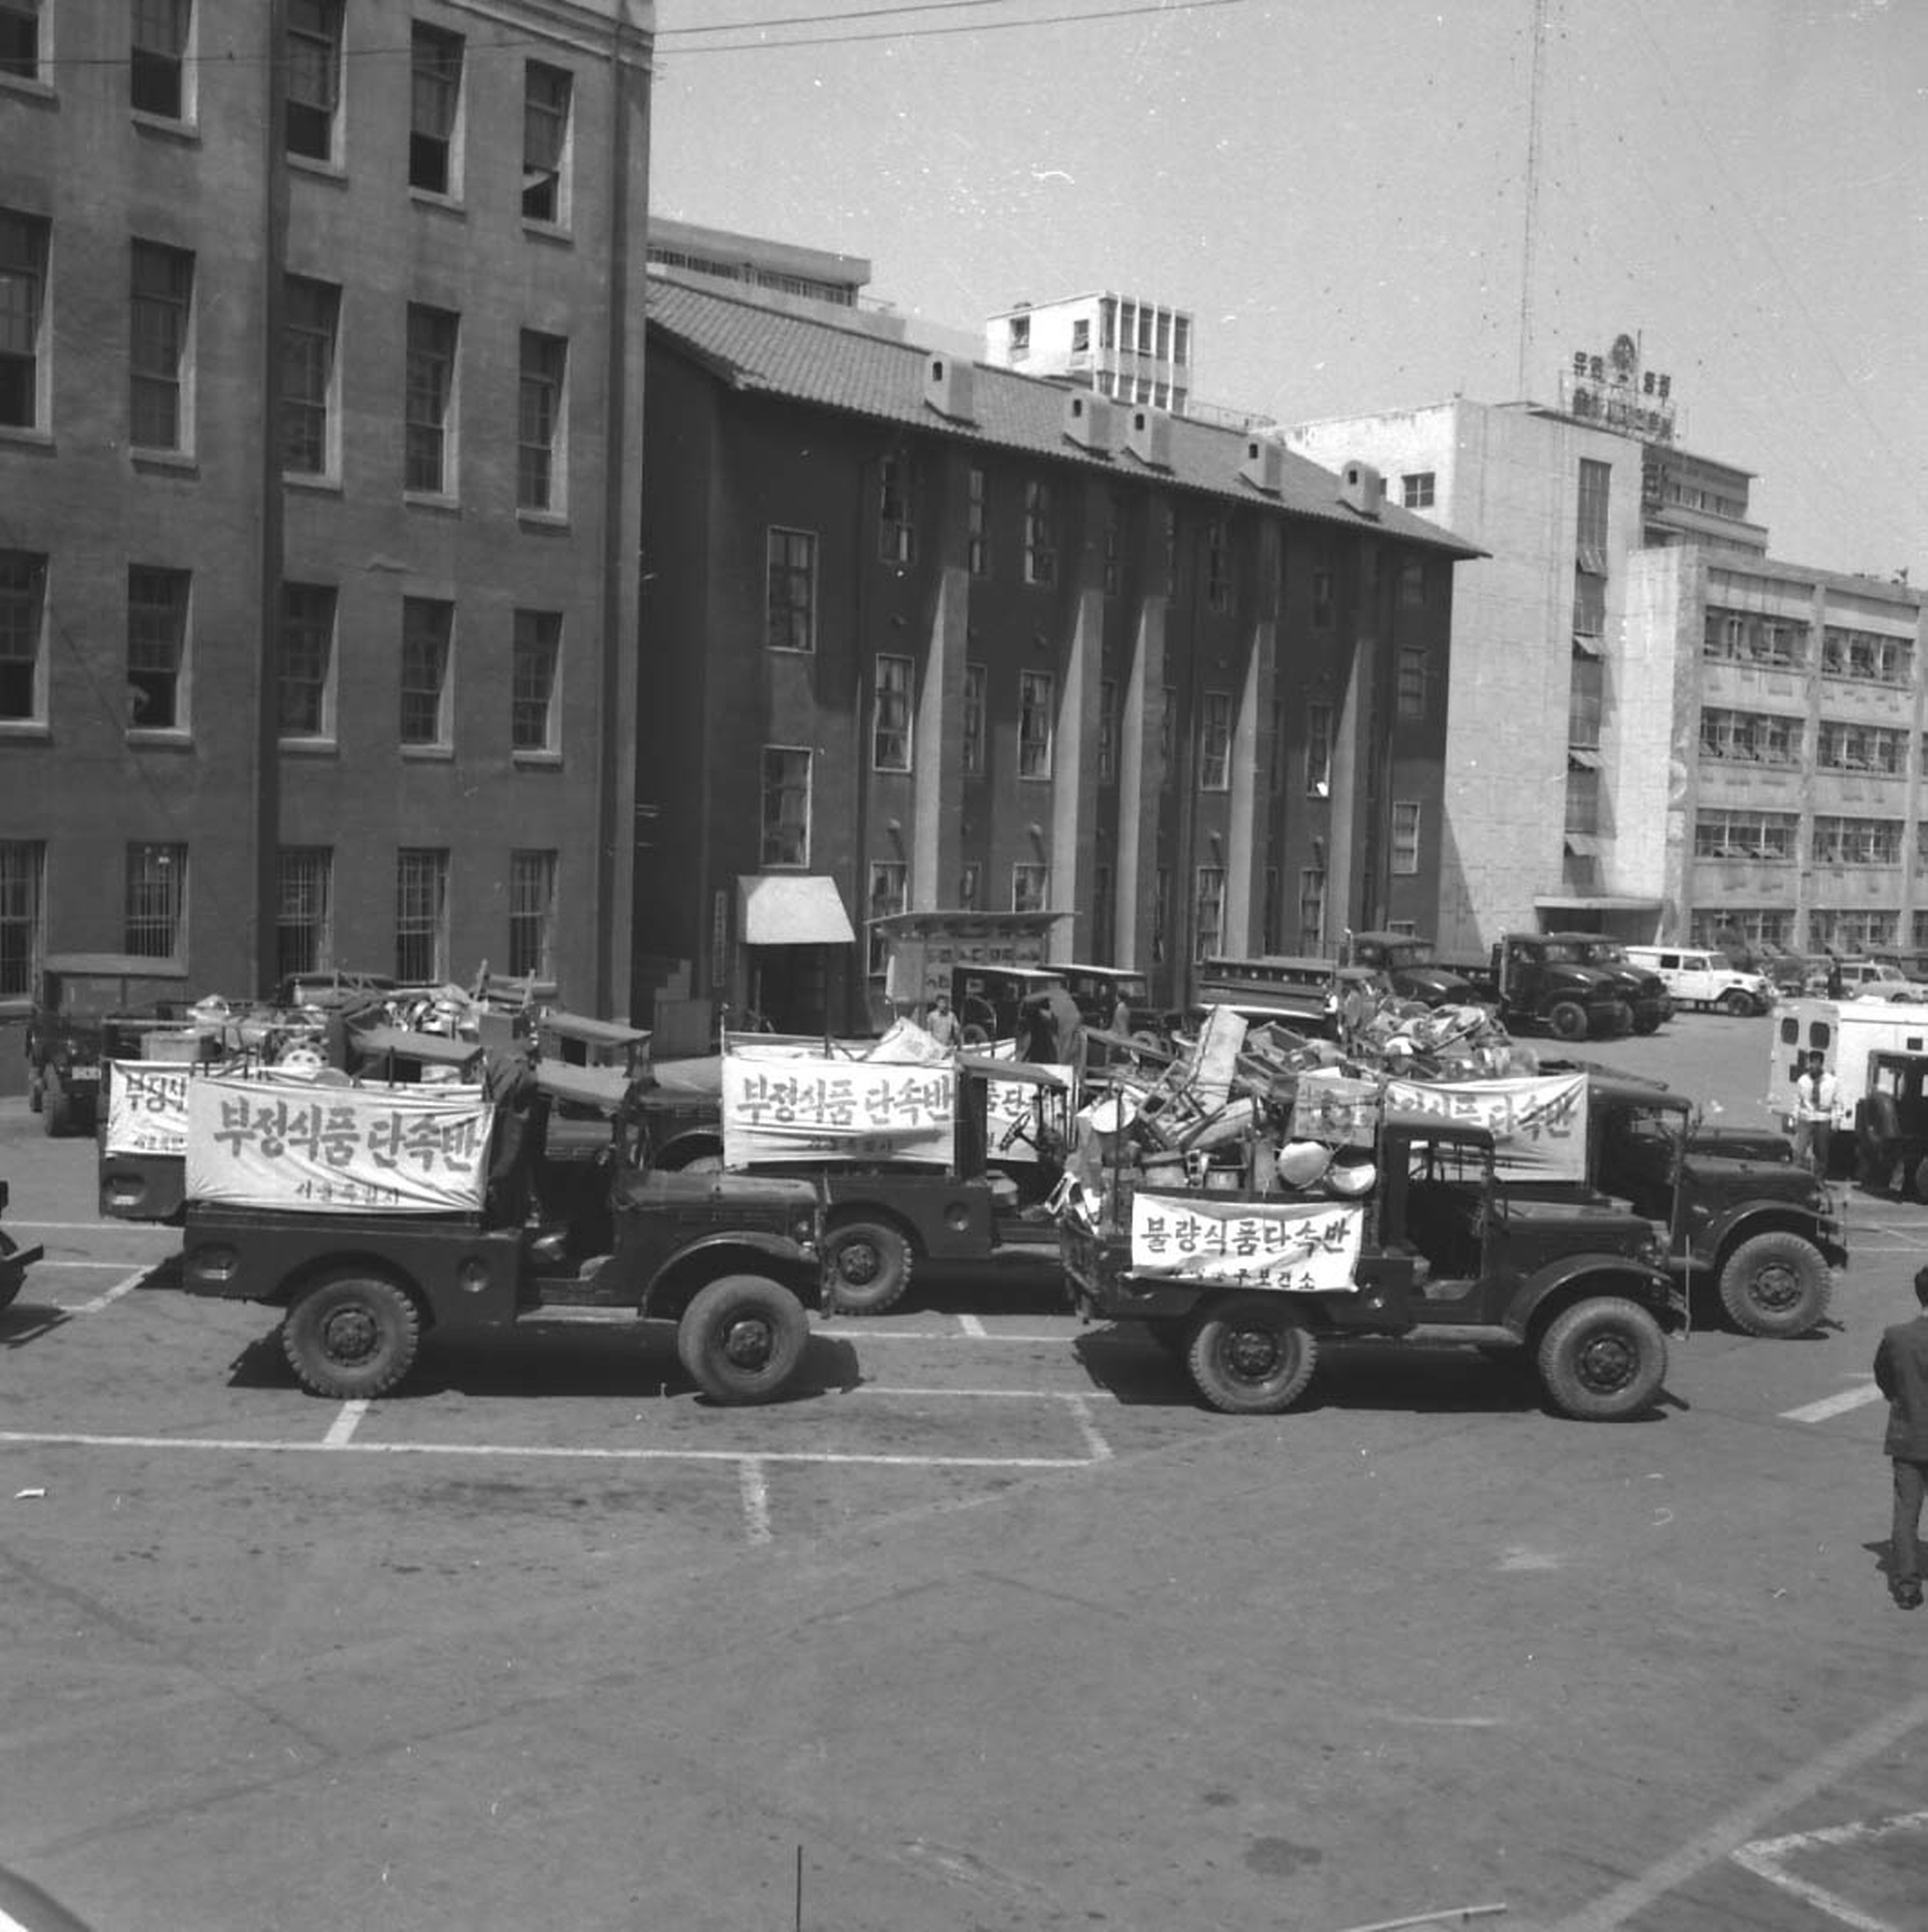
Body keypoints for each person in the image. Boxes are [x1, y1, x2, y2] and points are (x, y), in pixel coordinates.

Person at [1873, 1267, 1928, 1610]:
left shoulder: (1896, 1336)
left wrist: (1902, 1398)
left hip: (1908, 1437)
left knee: (1906, 1513)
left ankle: (1907, 1587)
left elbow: (1884, 1377)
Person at [1790, 1048, 1840, 1176]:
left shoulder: (1831, 1081)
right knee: (1800, 1150)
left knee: (1821, 1152)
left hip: (1823, 1119)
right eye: (1811, 1062)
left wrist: (1836, 1120)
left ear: (1821, 1064)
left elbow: (1837, 1102)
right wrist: (1794, 1117)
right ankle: (1796, 1176)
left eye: (1816, 1062)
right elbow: (1797, 1100)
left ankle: (1818, 1179)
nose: (1812, 1065)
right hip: (1806, 1118)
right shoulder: (1803, 1080)